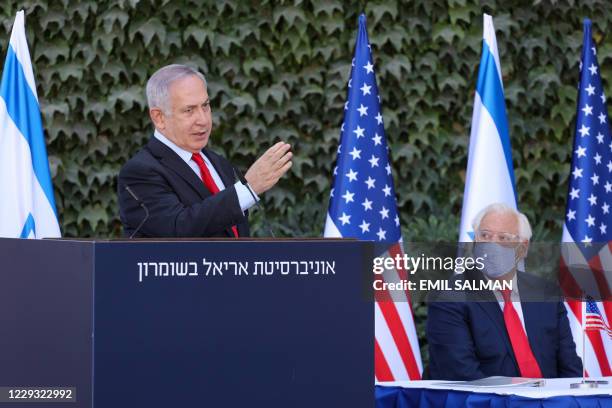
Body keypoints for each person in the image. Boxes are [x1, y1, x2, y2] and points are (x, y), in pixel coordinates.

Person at [117, 64, 292, 237]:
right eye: (189, 110)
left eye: (205, 105)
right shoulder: (139, 172)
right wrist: (248, 189)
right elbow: (178, 228)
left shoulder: (219, 163)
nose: (203, 119)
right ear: (159, 117)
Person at [427, 203, 582, 380]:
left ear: (523, 248)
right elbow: (462, 376)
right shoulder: (449, 297)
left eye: (504, 238)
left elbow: (570, 370)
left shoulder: (546, 294)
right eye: (485, 236)